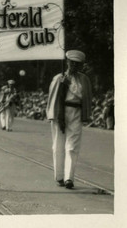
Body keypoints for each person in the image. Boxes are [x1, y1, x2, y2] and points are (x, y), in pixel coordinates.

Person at [47, 50, 92, 189]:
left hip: (76, 112)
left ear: (81, 65)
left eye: (77, 64)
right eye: (71, 63)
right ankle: (59, 176)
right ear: (67, 62)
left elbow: (87, 97)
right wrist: (56, 115)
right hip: (60, 111)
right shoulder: (58, 78)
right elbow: (53, 98)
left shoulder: (84, 79)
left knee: (72, 146)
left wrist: (85, 114)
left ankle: (69, 178)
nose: (74, 66)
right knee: (58, 146)